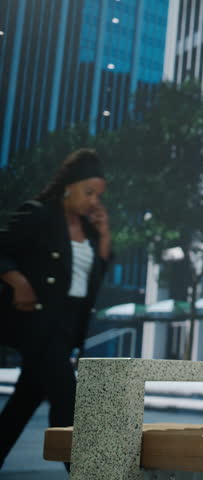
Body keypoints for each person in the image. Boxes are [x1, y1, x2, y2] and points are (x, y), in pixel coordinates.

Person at [0, 148, 111, 470]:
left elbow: (94, 279)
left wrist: (103, 235)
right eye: (88, 192)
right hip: (38, 322)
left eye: (98, 195)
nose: (94, 201)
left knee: (23, 402)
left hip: (66, 326)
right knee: (67, 400)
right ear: (68, 186)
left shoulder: (89, 230)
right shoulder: (38, 214)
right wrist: (18, 281)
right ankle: (85, 474)